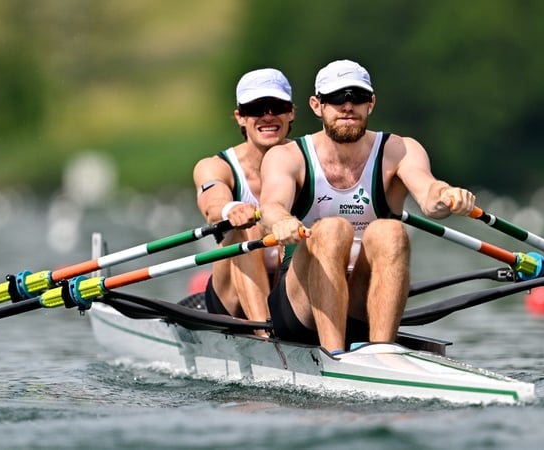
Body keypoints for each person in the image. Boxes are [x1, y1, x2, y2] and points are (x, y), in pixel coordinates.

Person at [259, 59, 475, 354]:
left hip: (363, 303)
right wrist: (282, 221)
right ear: (316, 105)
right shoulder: (287, 156)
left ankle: (382, 353)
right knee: (333, 229)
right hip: (302, 307)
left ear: (370, 103)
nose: (347, 107)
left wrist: (448, 194)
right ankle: (334, 356)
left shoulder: (399, 150)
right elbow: (271, 207)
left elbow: (429, 195)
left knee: (390, 230)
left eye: (357, 97)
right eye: (336, 98)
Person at [192, 68, 295, 334]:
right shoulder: (217, 166)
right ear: (240, 117)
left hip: (290, 290)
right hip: (230, 300)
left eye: (277, 106)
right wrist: (231, 209)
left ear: (291, 112)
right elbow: (212, 204)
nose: (268, 116)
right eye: (257, 108)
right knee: (247, 230)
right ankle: (266, 336)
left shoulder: (306, 160)